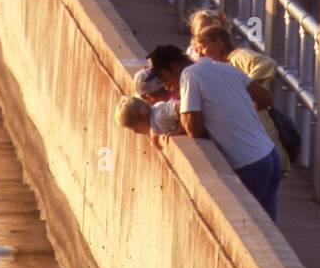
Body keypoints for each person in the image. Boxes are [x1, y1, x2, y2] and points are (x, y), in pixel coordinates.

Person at [149, 44, 282, 222]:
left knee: (245, 224)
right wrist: (238, 113)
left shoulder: (189, 75)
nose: (168, 87)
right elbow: (266, 98)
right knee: (267, 226)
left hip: (248, 164)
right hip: (270, 156)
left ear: (174, 67)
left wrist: (210, 127)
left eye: (166, 79)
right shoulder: (224, 67)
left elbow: (192, 128)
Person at [191, 22, 290, 176]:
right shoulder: (219, 67)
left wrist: (245, 88)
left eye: (204, 46)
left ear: (219, 44)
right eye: (198, 49)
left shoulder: (236, 57)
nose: (201, 53)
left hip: (261, 138)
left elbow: (267, 63)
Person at [115, 94, 181, 140]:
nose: (135, 131)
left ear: (140, 117)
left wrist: (180, 129)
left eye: (132, 126)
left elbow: (181, 106)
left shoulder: (160, 116)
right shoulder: (155, 121)